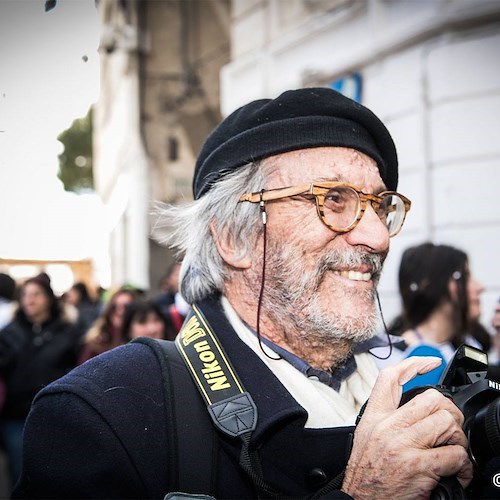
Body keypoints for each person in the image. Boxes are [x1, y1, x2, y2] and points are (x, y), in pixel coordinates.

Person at [14, 88, 477, 499]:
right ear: (234, 238)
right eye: (333, 199)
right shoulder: (106, 417)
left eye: (380, 205)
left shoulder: (416, 391)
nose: (378, 237)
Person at [0, 275, 82, 491]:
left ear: (48, 298)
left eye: (36, 294)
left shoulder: (67, 332)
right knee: (19, 472)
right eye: (25, 295)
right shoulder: (9, 333)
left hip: (54, 415)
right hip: (16, 417)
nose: (29, 300)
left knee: (54, 472)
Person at [377, 243, 485, 390]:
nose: (480, 287)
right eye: (463, 277)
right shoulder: (388, 358)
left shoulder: (469, 348)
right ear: (429, 285)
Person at [77, 287, 137, 364]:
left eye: (126, 307)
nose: (120, 311)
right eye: (115, 306)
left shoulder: (138, 338)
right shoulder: (96, 341)